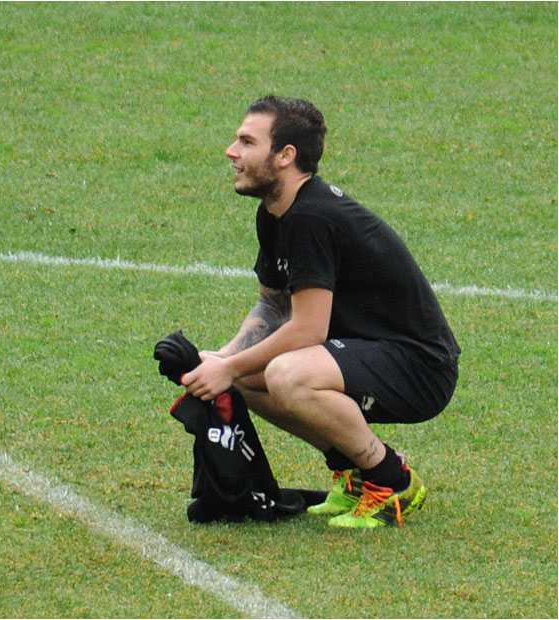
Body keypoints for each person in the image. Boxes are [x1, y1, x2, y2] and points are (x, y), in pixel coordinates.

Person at [181, 96, 460, 528]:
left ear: (285, 156)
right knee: (250, 377)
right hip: (366, 350)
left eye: (246, 142)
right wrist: (223, 358)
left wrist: (230, 367)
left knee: (284, 374)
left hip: (420, 367)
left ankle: (391, 480)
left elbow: (308, 329)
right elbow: (273, 305)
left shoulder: (312, 217)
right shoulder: (275, 213)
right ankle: (352, 475)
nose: (231, 152)